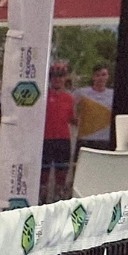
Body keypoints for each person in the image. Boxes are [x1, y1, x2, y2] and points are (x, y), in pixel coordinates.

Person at [42, 62, 77, 202]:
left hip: (63, 139)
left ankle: (59, 200)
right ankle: (42, 200)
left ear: (64, 79)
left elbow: (73, 118)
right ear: (50, 79)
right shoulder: (43, 96)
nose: (57, 80)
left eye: (60, 77)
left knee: (62, 173)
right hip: (46, 139)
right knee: (43, 174)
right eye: (54, 77)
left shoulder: (69, 98)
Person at [77, 63, 115, 151]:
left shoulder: (112, 94)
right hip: (85, 139)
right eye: (98, 75)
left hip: (105, 140)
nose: (101, 78)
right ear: (93, 77)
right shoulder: (81, 92)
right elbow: (70, 107)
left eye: (104, 75)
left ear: (107, 76)